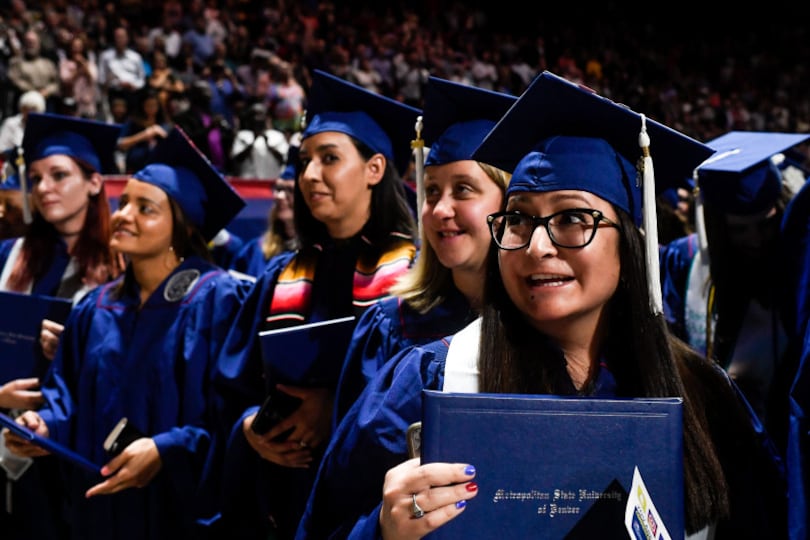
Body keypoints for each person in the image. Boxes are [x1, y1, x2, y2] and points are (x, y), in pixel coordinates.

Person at [297, 71, 787, 540]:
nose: (536, 246)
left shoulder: (705, 396)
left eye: (573, 217)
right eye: (519, 220)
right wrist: (383, 532)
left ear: (631, 245)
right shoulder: (430, 380)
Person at [3, 126, 249, 540]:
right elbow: (67, 398)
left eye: (145, 208)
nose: (123, 215)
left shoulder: (220, 300)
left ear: (182, 228)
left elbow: (234, 414)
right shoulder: (94, 308)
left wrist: (167, 449)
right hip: (99, 510)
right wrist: (43, 426)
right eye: (124, 203)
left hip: (182, 514)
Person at [213, 69, 421, 539]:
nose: (308, 175)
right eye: (304, 159)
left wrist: (337, 410)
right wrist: (250, 428)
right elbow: (231, 387)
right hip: (279, 496)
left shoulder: (414, 277)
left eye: (329, 158)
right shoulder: (280, 274)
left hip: (366, 510)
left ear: (375, 169)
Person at [332, 76, 516, 426]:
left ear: (512, 205)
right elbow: (350, 463)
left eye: (463, 189)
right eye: (431, 192)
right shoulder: (392, 324)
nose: (440, 209)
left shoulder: (548, 324)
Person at [0, 113, 122, 538]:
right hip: (9, 447)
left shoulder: (123, 265)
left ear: (94, 182)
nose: (43, 188)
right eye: (35, 178)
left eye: (58, 174)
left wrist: (79, 351)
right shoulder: (9, 257)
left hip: (84, 456)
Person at [660, 131, 810, 430]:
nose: (755, 239)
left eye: (766, 224)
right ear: (718, 228)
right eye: (740, 230)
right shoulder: (685, 260)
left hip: (773, 432)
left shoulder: (795, 266)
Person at [229, 142, 300, 278]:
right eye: (278, 188)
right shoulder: (255, 250)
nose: (278, 196)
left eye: (289, 190)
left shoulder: (317, 256)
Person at [117, 88, 172, 174]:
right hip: (136, 168)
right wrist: (144, 135)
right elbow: (120, 144)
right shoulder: (133, 122)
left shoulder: (165, 123)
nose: (151, 109)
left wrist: (162, 135)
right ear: (142, 105)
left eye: (154, 105)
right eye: (148, 105)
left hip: (158, 169)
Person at [230, 101, 289, 180]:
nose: (257, 118)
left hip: (272, 182)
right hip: (248, 183)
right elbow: (237, 160)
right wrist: (253, 141)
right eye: (254, 115)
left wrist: (268, 144)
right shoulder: (242, 135)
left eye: (260, 114)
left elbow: (283, 159)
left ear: (267, 117)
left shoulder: (277, 136)